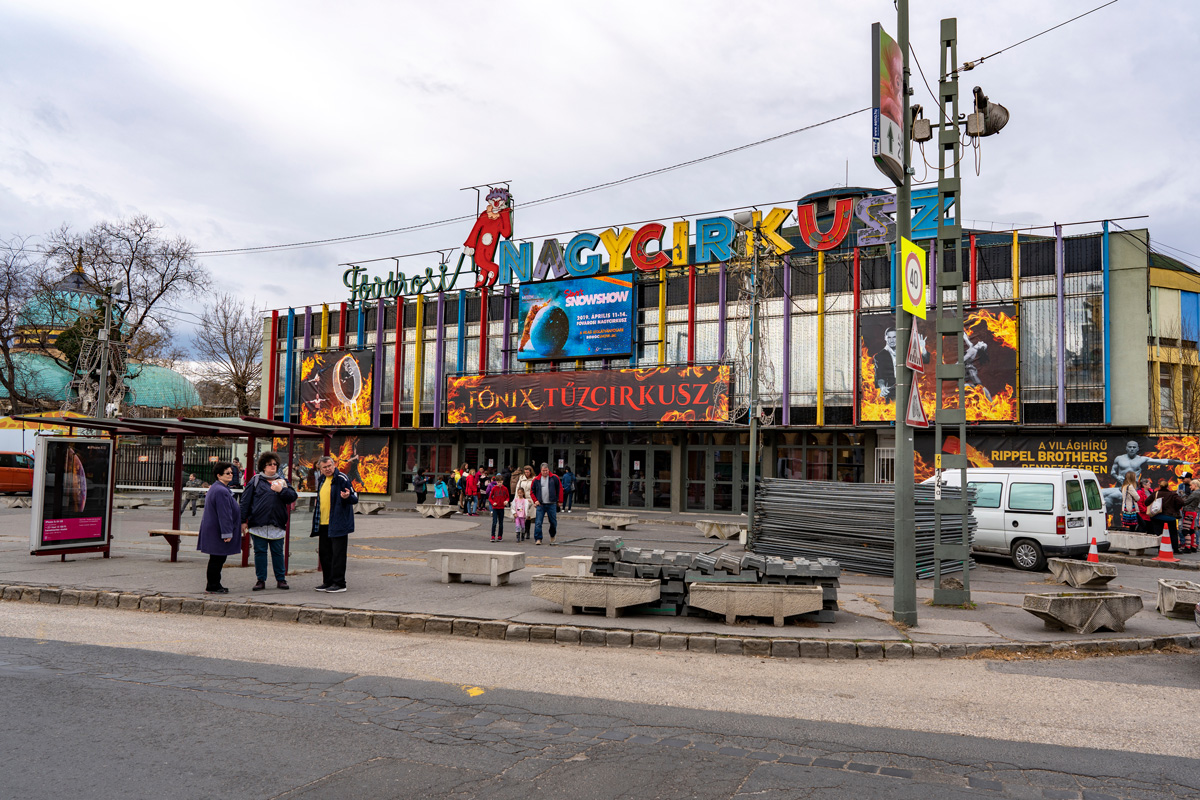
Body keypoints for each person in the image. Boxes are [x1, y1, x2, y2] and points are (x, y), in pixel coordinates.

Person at [239, 451, 298, 591]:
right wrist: (243, 521)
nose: (273, 466)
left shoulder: (282, 481)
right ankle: (261, 580)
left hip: (277, 524)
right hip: (258, 524)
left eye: (275, 464)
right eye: (269, 464)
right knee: (260, 553)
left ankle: (281, 579)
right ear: (263, 466)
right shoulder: (255, 481)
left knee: (278, 553)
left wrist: (281, 490)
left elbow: (292, 496)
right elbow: (245, 502)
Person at [311, 455, 357, 593]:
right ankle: (328, 582)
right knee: (325, 554)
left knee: (338, 554)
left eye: (329, 466)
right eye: (324, 467)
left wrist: (347, 497)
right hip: (323, 523)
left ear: (334, 465)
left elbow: (354, 498)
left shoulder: (342, 478)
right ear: (320, 469)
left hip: (338, 522)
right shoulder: (321, 480)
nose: (327, 469)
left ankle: (339, 583)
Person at [197, 461, 241, 594]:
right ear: (219, 475)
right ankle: (213, 585)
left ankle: (215, 584)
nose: (231, 475)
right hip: (218, 530)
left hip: (214, 529)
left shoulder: (218, 488)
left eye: (231, 473)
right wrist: (227, 533)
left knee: (217, 558)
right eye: (227, 473)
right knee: (217, 559)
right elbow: (224, 514)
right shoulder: (221, 491)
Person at [530, 462, 562, 546]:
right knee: (538, 522)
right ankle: (538, 538)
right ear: (541, 470)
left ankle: (552, 535)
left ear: (548, 470)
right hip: (541, 504)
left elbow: (559, 489)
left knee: (553, 522)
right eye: (543, 470)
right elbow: (532, 491)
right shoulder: (536, 480)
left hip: (552, 503)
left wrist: (560, 501)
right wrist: (535, 500)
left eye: (546, 470)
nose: (545, 472)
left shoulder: (554, 478)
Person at [1151, 478, 1185, 553]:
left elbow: (1146, 502)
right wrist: (1175, 508)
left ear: (1160, 486)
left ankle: (1160, 549)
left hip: (1157, 516)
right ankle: (1175, 549)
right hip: (1170, 517)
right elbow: (1181, 502)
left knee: (1159, 533)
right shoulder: (1173, 494)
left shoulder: (1156, 493)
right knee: (1173, 533)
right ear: (1168, 486)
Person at [1180, 479, 1200, 554]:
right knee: (1191, 530)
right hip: (1193, 512)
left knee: (1185, 530)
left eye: (1191, 485)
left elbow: (1186, 502)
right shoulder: (1198, 493)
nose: (1190, 487)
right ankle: (1193, 546)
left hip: (1189, 512)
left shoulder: (1195, 493)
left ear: (1195, 485)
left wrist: (1182, 496)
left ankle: (1187, 547)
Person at [488, 475, 510, 542]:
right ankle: (493, 536)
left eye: (500, 482)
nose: (499, 484)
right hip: (495, 507)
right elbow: (490, 498)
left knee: (501, 523)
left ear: (502, 481)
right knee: (494, 522)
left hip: (501, 507)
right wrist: (493, 503)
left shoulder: (505, 489)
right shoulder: (494, 488)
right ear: (496, 482)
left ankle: (500, 536)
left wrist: (506, 501)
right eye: (498, 482)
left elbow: (508, 497)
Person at [515, 465, 534, 539]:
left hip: (530, 499)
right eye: (525, 472)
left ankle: (527, 531)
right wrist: (516, 498)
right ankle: (522, 531)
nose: (526, 474)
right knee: (521, 515)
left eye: (528, 472)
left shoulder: (533, 479)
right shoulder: (521, 478)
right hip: (521, 499)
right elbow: (518, 488)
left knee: (528, 516)